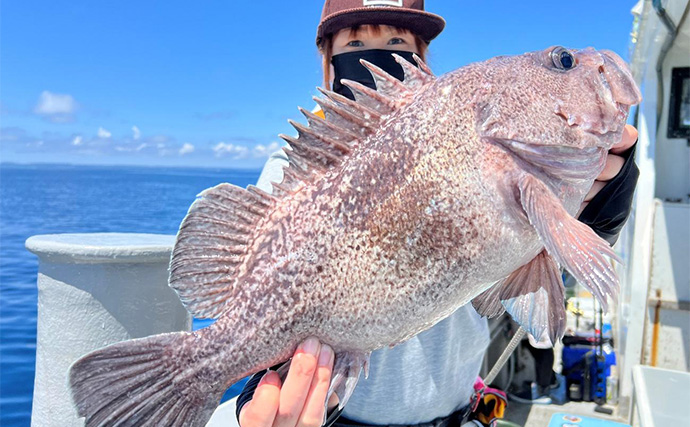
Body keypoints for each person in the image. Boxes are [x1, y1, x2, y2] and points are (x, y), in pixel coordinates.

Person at [236, 1, 640, 426]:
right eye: (355, 42)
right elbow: (257, 294)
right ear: (329, 62)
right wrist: (261, 387)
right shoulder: (295, 171)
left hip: (458, 415)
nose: (378, 53)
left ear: (421, 58)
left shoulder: (472, 136)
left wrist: (598, 217)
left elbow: (527, 277)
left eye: (396, 41)